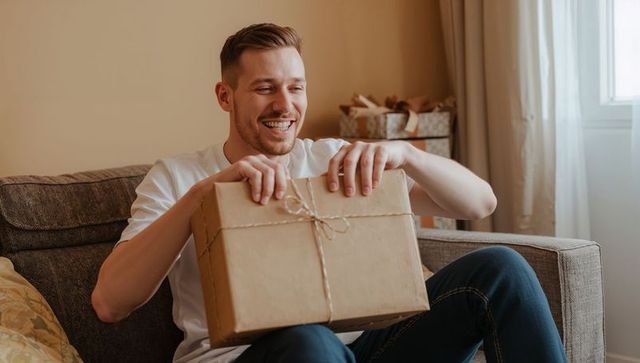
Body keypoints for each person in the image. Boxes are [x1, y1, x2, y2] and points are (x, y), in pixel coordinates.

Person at [91, 23, 567, 363]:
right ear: (225, 96)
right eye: (264, 88)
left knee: (501, 268)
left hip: (364, 347)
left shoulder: (334, 159)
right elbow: (110, 303)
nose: (285, 105)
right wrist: (202, 198)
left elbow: (481, 203)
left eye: (296, 88)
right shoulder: (179, 177)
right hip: (245, 356)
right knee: (309, 341)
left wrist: (407, 156)